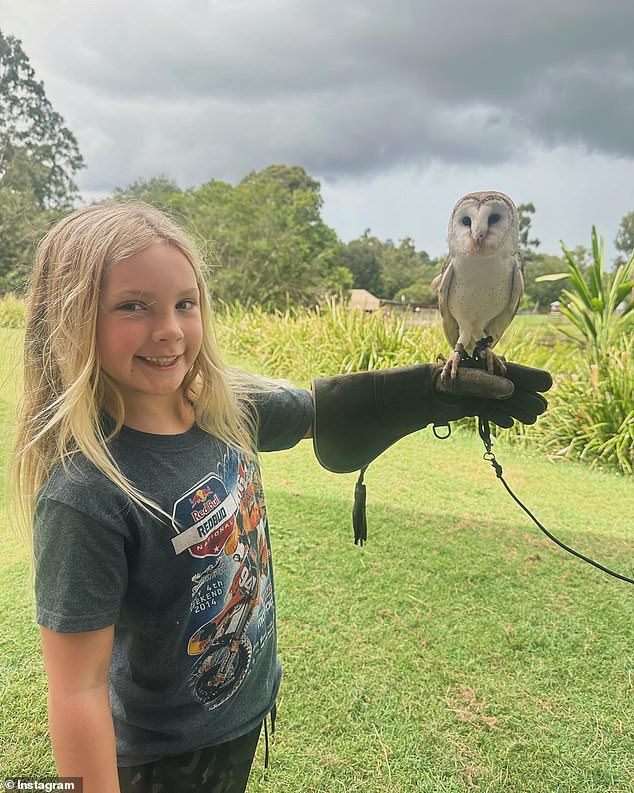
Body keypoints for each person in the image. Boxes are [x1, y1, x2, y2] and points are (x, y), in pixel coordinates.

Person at [11, 201, 551, 793]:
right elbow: (76, 689)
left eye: (185, 303)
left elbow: (325, 410)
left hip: (242, 716)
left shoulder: (222, 409)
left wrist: (435, 391)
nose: (168, 329)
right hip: (156, 760)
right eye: (133, 306)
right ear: (73, 319)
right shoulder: (86, 492)